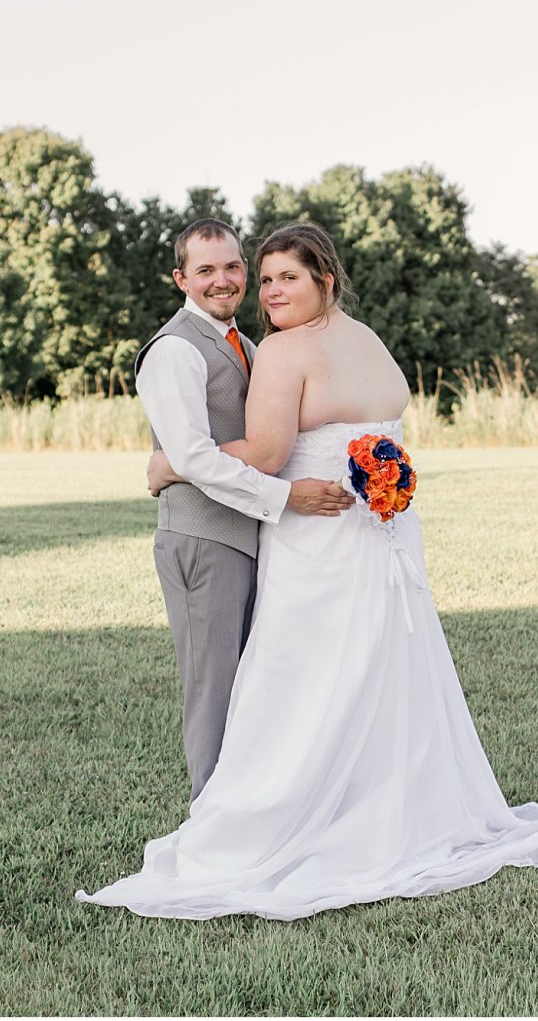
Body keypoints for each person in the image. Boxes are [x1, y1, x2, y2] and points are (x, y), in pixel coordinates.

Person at [77, 222, 538, 921]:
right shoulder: (365, 343)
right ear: (183, 279)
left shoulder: (281, 348)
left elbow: (263, 451)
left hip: (317, 533)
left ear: (325, 276)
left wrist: (174, 459)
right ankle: (357, 804)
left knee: (299, 677)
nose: (262, 290)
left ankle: (250, 826)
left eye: (279, 276)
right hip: (372, 536)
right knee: (365, 671)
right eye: (261, 279)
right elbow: (370, 436)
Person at [132, 217, 354, 801]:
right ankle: (210, 830)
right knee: (214, 691)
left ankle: (249, 813)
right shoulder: (174, 350)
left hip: (255, 540)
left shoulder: (250, 347)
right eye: (205, 270)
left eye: (233, 266)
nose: (223, 280)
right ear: (181, 278)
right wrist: (288, 497)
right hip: (204, 541)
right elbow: (193, 457)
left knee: (255, 687)